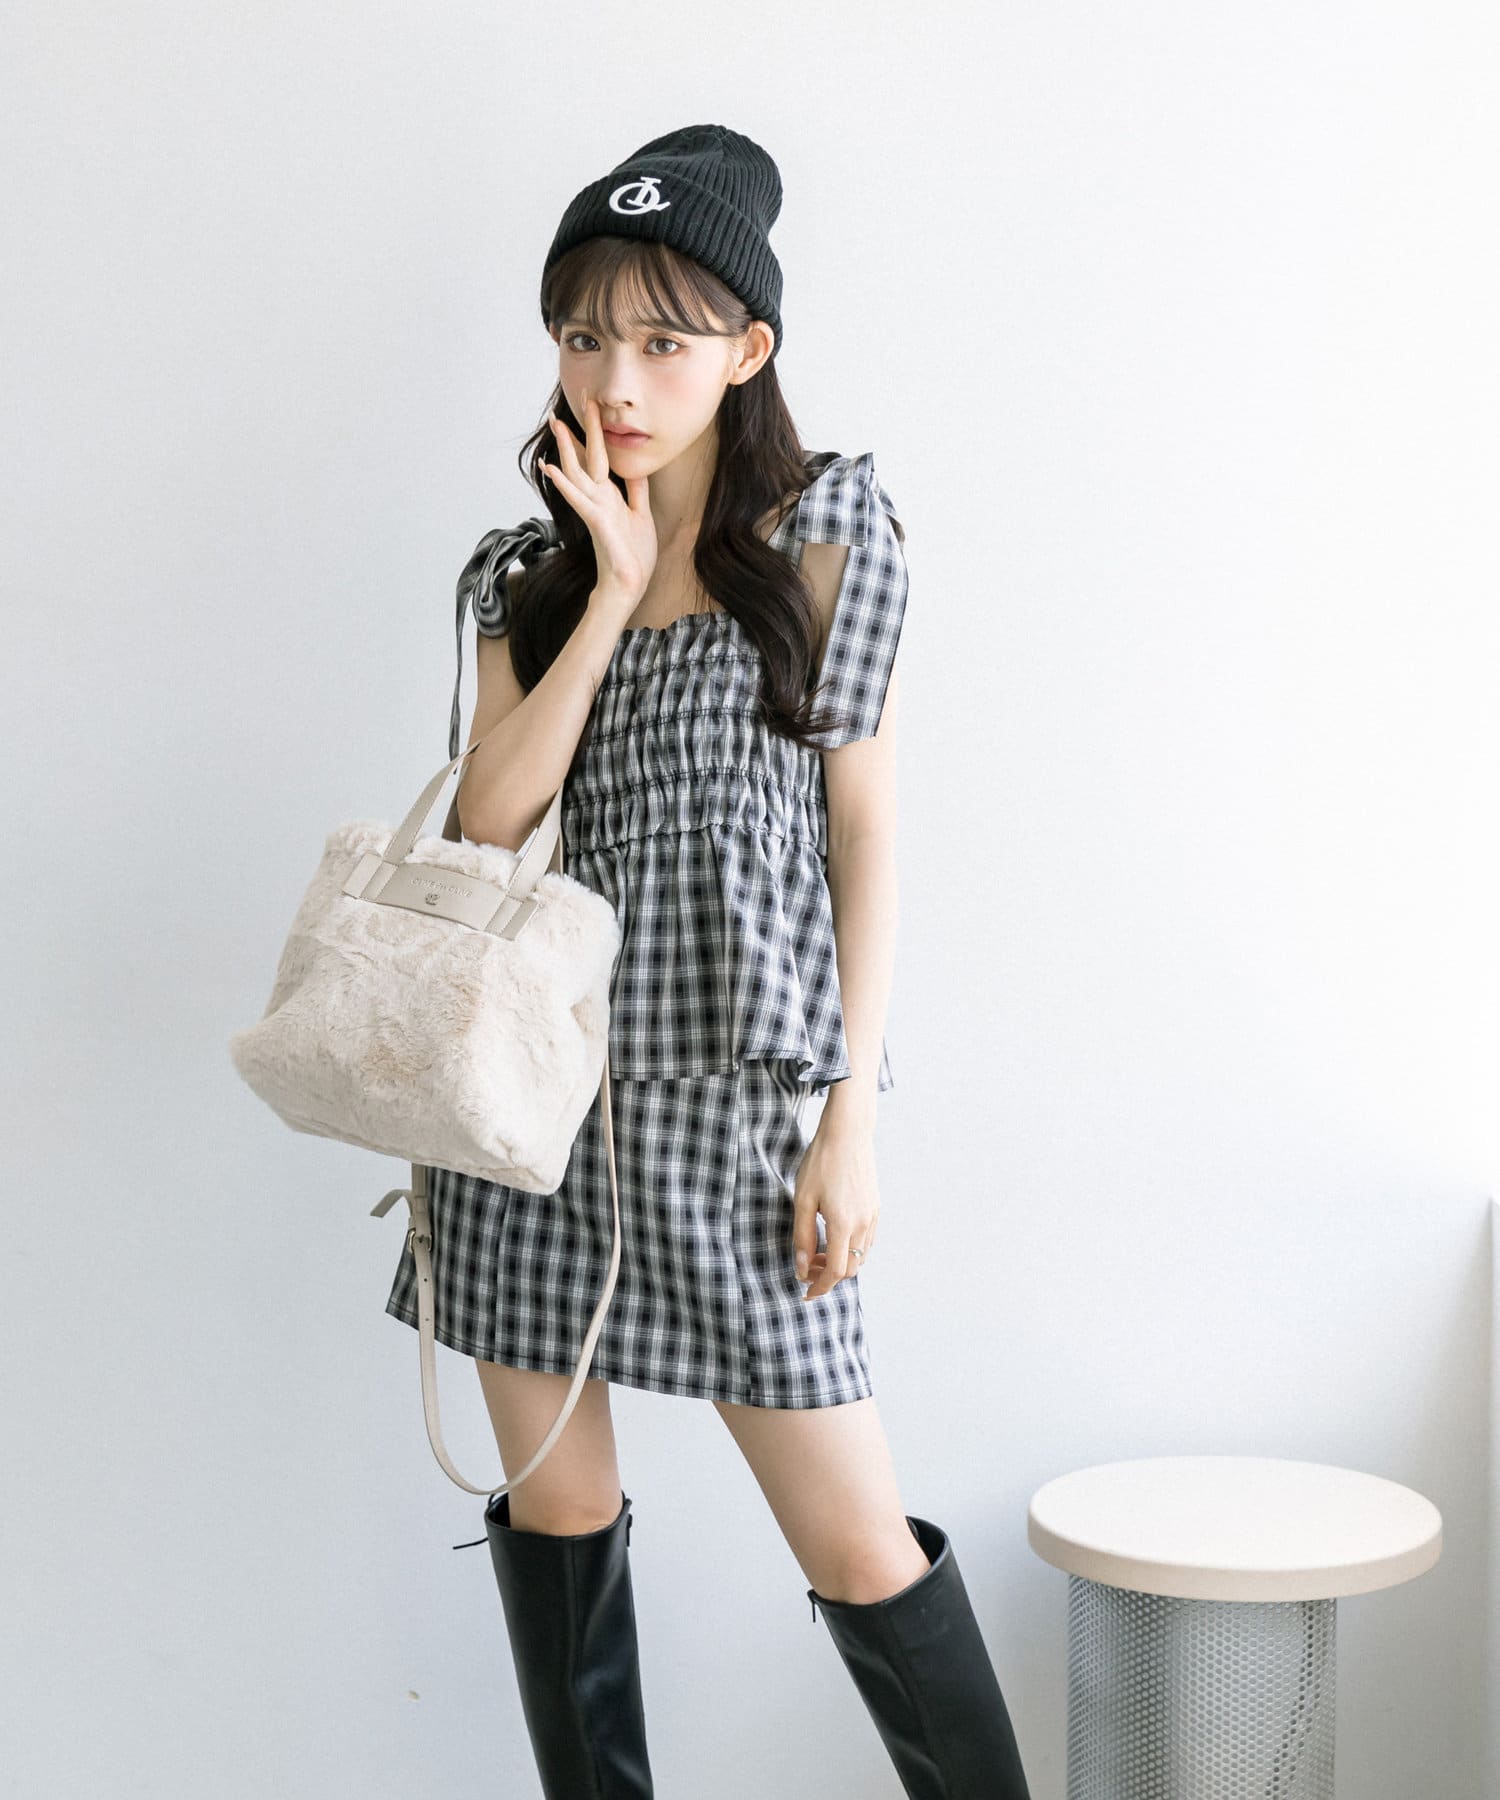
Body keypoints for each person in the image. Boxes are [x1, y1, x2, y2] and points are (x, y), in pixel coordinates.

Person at [384, 123, 1031, 1799]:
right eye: (584, 336)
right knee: (558, 1513)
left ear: (747, 351)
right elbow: (488, 822)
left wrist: (849, 1118)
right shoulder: (520, 575)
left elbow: (863, 834)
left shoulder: (826, 534)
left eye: (664, 342)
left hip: (739, 1108)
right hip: (528, 1117)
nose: (617, 380)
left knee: (859, 1543)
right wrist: (604, 591)